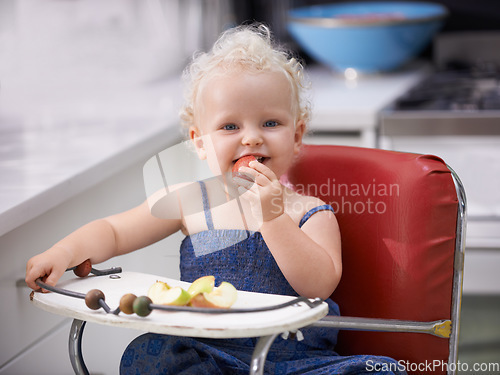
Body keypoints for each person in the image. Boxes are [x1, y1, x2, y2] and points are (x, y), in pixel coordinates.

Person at [26, 24, 405, 374]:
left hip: (299, 361)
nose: (252, 138)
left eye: (270, 123)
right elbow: (113, 231)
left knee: (380, 370)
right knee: (146, 353)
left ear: (297, 135)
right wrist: (63, 253)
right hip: (208, 355)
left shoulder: (309, 212)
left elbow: (318, 285)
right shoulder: (190, 202)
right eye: (230, 126)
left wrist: (273, 219)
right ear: (199, 141)